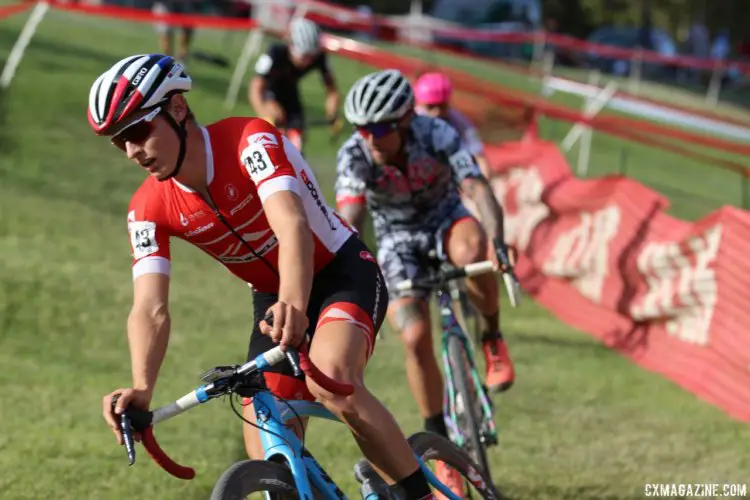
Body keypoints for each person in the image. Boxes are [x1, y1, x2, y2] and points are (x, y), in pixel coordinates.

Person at [90, 54, 436, 500]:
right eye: (119, 142)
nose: (133, 151)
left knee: (332, 378)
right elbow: (149, 307)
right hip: (271, 298)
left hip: (338, 271)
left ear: (177, 109)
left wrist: (294, 301)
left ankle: (420, 493)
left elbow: (291, 226)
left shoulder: (249, 141)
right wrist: (141, 386)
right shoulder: (146, 207)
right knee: (264, 424)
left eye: (137, 131)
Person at [335, 69, 517, 498]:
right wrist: (346, 263)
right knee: (414, 335)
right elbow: (350, 217)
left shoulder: (437, 133)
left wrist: (499, 241)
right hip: (397, 239)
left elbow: (475, 187)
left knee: (475, 251)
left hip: (445, 220)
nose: (370, 139)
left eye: (379, 129)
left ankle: (491, 335)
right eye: (362, 129)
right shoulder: (355, 154)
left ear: (403, 122)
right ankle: (438, 443)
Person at [249, 17, 340, 155]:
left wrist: (332, 113)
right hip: (270, 92)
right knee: (278, 124)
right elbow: (255, 88)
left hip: (290, 92)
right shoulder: (275, 53)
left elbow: (332, 90)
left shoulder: (320, 57)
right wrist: (264, 114)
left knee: (298, 139)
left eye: (311, 57)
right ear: (291, 46)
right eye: (304, 56)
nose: (308, 62)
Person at [413, 72, 492, 178]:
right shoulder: (411, 120)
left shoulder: (459, 122)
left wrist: (483, 185)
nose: (437, 112)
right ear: (419, 103)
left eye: (442, 106)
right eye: (430, 107)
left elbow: (479, 157)